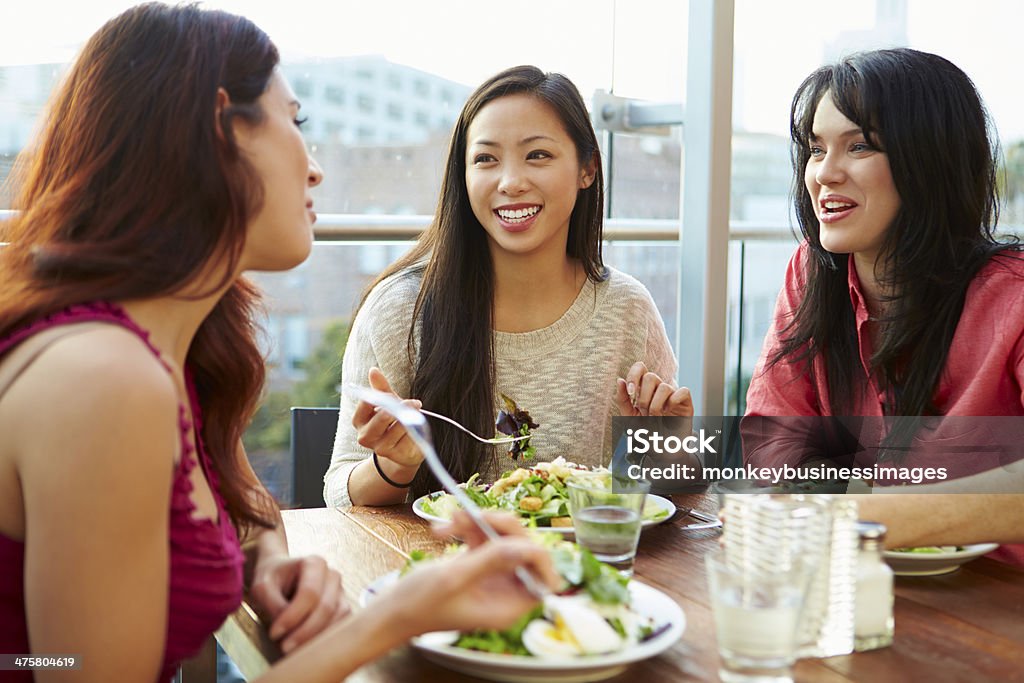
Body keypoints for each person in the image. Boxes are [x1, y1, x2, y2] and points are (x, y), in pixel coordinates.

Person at [0, 4, 558, 681]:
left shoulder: (176, 348)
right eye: (296, 123)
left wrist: (266, 559)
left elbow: (236, 499)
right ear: (218, 129)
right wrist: (398, 613)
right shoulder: (104, 380)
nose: (315, 169)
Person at [325, 65, 693, 508]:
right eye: (485, 159)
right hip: (443, 569)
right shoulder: (401, 310)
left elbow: (671, 498)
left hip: (584, 571)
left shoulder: (626, 308)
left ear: (587, 168)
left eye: (537, 155)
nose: (511, 182)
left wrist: (670, 447)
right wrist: (394, 466)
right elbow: (339, 494)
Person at [742, 48, 1024, 563]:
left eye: (860, 146)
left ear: (931, 160)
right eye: (815, 148)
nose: (824, 174)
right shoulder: (812, 273)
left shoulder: (1014, 294)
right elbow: (772, 437)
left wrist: (868, 515)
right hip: (861, 582)